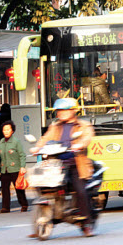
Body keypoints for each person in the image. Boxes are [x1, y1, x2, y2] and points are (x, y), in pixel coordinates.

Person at [29, 98, 95, 237]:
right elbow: (45, 139)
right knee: (40, 183)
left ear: (73, 111)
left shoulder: (83, 125)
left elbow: (87, 137)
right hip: (56, 164)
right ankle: (44, 216)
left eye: (64, 110)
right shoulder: (55, 126)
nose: (61, 113)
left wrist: (79, 144)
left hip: (75, 164)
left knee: (80, 190)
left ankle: (86, 223)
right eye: (59, 111)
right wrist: (37, 148)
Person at [0, 121, 28, 213]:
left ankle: (24, 204)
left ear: (12, 131)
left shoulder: (16, 142)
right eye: (4, 130)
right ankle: (5, 207)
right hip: (4, 169)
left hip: (15, 168)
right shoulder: (1, 142)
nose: (6, 131)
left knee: (18, 188)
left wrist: (22, 166)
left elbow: (22, 155)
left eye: (8, 129)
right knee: (4, 189)